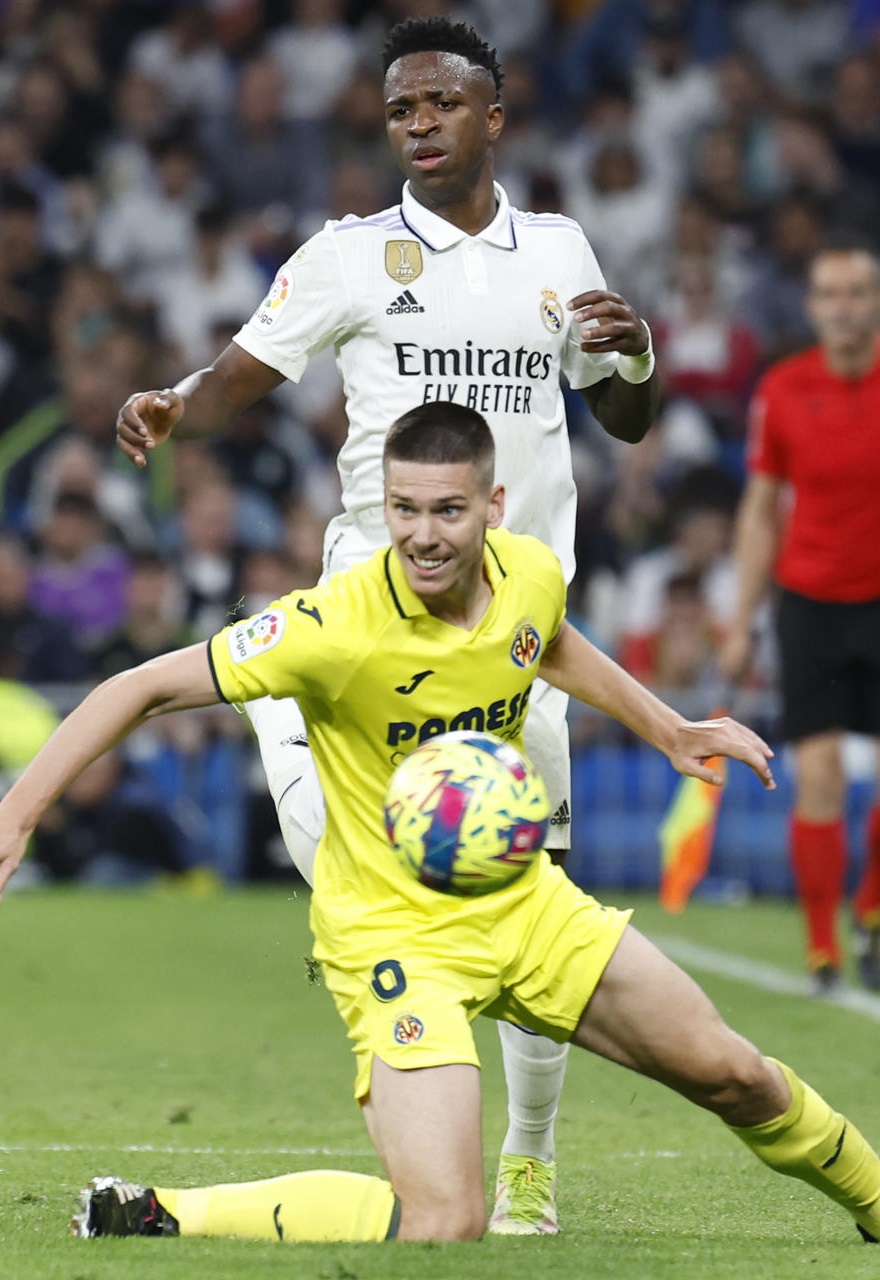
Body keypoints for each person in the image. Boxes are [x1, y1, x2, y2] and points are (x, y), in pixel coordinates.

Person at [3, 403, 880, 1248]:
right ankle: (158, 1211)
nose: (422, 535)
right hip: (396, 936)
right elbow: (139, 688)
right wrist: (17, 813)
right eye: (404, 509)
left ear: (493, 506)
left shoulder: (530, 572)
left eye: (448, 511)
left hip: (521, 905)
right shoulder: (333, 623)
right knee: (444, 1219)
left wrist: (670, 729)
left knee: (736, 1074)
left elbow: (547, 640)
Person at [112, 16, 660, 1233]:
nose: (418, 123)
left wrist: (632, 362)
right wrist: (175, 404)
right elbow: (243, 374)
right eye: (401, 107)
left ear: (491, 117)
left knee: (532, 896)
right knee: (366, 875)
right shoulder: (348, 256)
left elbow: (621, 416)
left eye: (441, 103)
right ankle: (295, 740)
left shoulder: (558, 248)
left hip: (516, 634)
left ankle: (528, 1158)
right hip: (373, 624)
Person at [719, 238, 880, 995]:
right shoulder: (783, 390)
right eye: (830, 295)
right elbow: (759, 509)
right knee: (820, 777)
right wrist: (739, 619)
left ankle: (870, 908)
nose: (844, 309)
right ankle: (823, 949)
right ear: (812, 306)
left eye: (858, 293)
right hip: (810, 604)